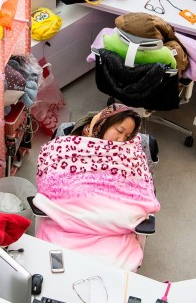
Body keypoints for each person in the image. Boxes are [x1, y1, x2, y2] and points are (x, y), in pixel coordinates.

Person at [33, 104, 160, 272]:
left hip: (113, 227)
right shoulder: (67, 146)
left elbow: (139, 187)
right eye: (119, 130)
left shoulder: (131, 152)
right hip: (67, 221)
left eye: (128, 135)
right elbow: (49, 181)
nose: (122, 140)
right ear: (104, 124)